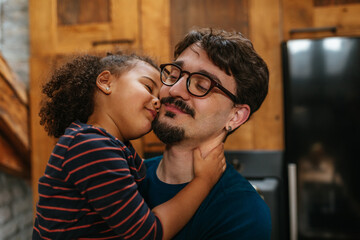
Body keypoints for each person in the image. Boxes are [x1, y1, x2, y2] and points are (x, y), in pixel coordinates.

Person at [32, 52, 226, 240]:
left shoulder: (114, 147)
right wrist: (204, 180)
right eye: (148, 87)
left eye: (159, 95)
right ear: (106, 82)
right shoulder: (91, 146)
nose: (158, 101)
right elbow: (147, 233)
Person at [139, 28, 272, 239]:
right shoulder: (122, 177)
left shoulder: (243, 212)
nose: (174, 90)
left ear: (235, 116)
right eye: (173, 76)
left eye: (201, 85)